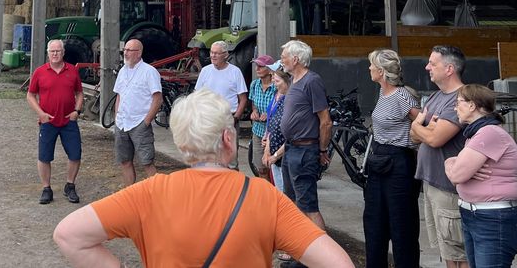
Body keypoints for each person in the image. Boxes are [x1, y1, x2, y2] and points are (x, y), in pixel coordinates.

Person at [52, 88, 354, 268]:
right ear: (227, 138)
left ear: (182, 143)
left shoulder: (149, 193)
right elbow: (339, 264)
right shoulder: (264, 196)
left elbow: (68, 235)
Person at [445, 84, 517, 268]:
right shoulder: (475, 135)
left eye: (458, 103)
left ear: (472, 105)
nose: (455, 107)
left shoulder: (488, 133)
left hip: (493, 218)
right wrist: (450, 162)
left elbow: (457, 175)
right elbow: (457, 169)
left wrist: (453, 165)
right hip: (476, 215)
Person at [363, 49, 421, 268]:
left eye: (372, 65)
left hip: (399, 163)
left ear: (381, 71)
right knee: (374, 222)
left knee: (401, 224)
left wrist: (416, 141)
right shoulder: (382, 92)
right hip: (379, 160)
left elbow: (422, 122)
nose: (369, 68)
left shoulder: (402, 96)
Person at [410, 45, 467, 268]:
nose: (427, 67)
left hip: (448, 188)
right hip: (431, 182)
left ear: (450, 68)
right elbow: (414, 137)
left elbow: (435, 139)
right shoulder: (435, 96)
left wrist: (418, 127)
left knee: (458, 252)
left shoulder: (460, 99)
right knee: (446, 249)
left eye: (433, 63)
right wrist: (422, 129)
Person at [278, 39, 332, 239]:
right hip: (292, 148)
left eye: (284, 57)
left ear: (296, 59)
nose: (281, 60)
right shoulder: (294, 81)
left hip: (304, 150)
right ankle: (300, 249)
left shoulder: (312, 81)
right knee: (292, 202)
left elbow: (325, 120)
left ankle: (324, 254)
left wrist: (322, 150)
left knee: (308, 205)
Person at [26, 39, 84, 204]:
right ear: (48, 53)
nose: (55, 54)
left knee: (75, 154)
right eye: (52, 51)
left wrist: (76, 111)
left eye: (58, 51)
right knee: (44, 156)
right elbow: (30, 95)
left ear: (63, 52)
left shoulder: (72, 71)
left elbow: (79, 93)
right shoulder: (40, 72)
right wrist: (41, 113)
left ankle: (70, 185)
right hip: (48, 121)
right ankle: (46, 188)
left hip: (68, 121)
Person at [114, 39, 162, 185]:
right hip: (122, 123)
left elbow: (157, 98)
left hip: (139, 123)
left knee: (147, 162)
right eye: (125, 50)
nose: (126, 53)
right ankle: (130, 194)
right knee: (125, 161)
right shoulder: (123, 71)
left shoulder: (149, 72)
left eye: (129, 50)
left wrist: (146, 121)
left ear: (139, 53)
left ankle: (158, 195)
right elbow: (119, 95)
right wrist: (117, 116)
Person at [194, 40, 249, 168]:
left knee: (230, 159)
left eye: (217, 53)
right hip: (209, 119)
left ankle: (234, 186)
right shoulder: (205, 71)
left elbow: (243, 99)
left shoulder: (235, 72)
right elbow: (197, 96)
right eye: (211, 52)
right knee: (210, 157)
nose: (213, 56)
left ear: (225, 55)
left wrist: (235, 118)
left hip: (229, 118)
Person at [249, 54, 277, 179]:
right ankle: (265, 195)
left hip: (273, 133)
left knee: (275, 167)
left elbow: (283, 106)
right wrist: (254, 111)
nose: (257, 69)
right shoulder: (254, 85)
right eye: (257, 66)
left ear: (270, 69)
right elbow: (253, 104)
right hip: (258, 131)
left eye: (261, 66)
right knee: (261, 168)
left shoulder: (277, 86)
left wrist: (270, 114)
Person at [263, 67, 291, 192]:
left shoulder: (290, 101)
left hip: (285, 154)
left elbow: (292, 137)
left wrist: (275, 155)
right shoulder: (279, 98)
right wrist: (268, 150)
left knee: (287, 194)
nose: (275, 84)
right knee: (280, 191)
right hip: (275, 151)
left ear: (287, 82)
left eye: (278, 81)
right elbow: (273, 124)